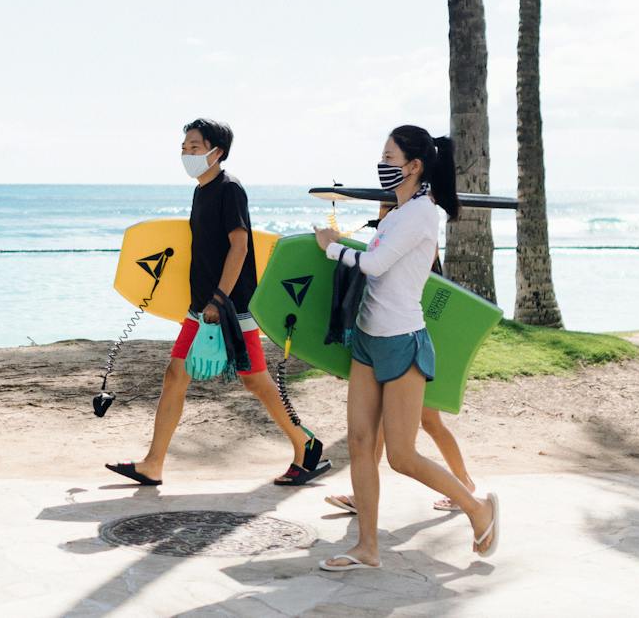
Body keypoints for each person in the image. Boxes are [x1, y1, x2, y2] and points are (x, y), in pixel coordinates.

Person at [105, 118, 329, 488]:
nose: (186, 154)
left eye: (194, 147)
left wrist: (219, 299)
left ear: (216, 152)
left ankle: (305, 443)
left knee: (255, 382)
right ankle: (153, 463)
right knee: (176, 374)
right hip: (204, 306)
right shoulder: (201, 191)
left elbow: (240, 247)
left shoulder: (230, 190)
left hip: (231, 308)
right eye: (184, 148)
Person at [314, 125, 499, 569]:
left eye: (389, 157)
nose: (383, 164)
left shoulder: (420, 215)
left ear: (414, 166)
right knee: (360, 443)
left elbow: (375, 264)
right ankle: (367, 548)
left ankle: (477, 508)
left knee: (401, 456)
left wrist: (332, 247)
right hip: (367, 339)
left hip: (401, 341)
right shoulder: (397, 213)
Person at [324, 242, 477, 516]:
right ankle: (363, 496)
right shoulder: (392, 233)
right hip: (396, 340)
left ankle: (464, 483)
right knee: (381, 425)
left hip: (413, 339)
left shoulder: (416, 243)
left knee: (430, 421)